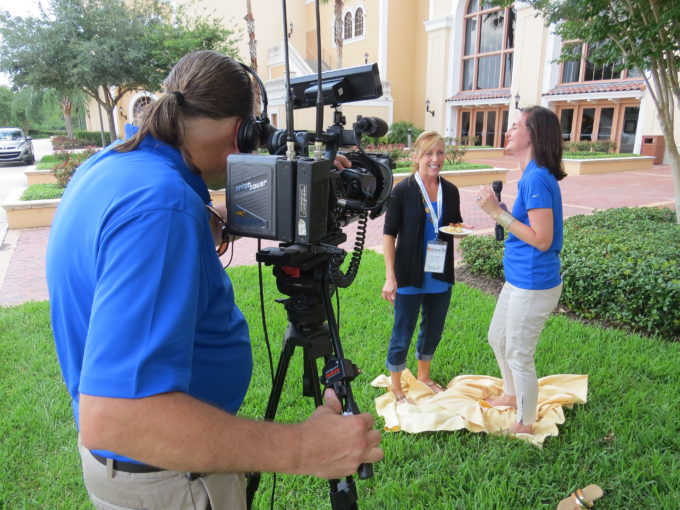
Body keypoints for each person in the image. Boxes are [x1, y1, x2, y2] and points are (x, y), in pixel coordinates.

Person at [46, 50, 382, 510]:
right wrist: (306, 450)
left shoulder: (113, 166)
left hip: (145, 472)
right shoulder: (162, 206)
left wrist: (237, 213)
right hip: (169, 477)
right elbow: (116, 419)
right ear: (241, 131)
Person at [476, 105, 566, 435]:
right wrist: (498, 210)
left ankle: (525, 423)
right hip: (518, 279)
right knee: (497, 338)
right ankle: (513, 395)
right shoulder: (531, 175)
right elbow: (526, 225)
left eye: (516, 126)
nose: (508, 131)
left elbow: (543, 240)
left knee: (518, 351)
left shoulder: (538, 178)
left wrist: (496, 214)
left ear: (534, 135)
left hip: (534, 283)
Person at [381, 130, 468, 404]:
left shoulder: (450, 191)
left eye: (440, 152)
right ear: (415, 157)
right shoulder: (403, 190)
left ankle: (423, 376)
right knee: (402, 330)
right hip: (409, 274)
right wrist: (389, 276)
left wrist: (460, 231)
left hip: (440, 272)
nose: (435, 159)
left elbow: (454, 223)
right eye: (429, 153)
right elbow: (388, 234)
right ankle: (396, 384)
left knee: (434, 328)